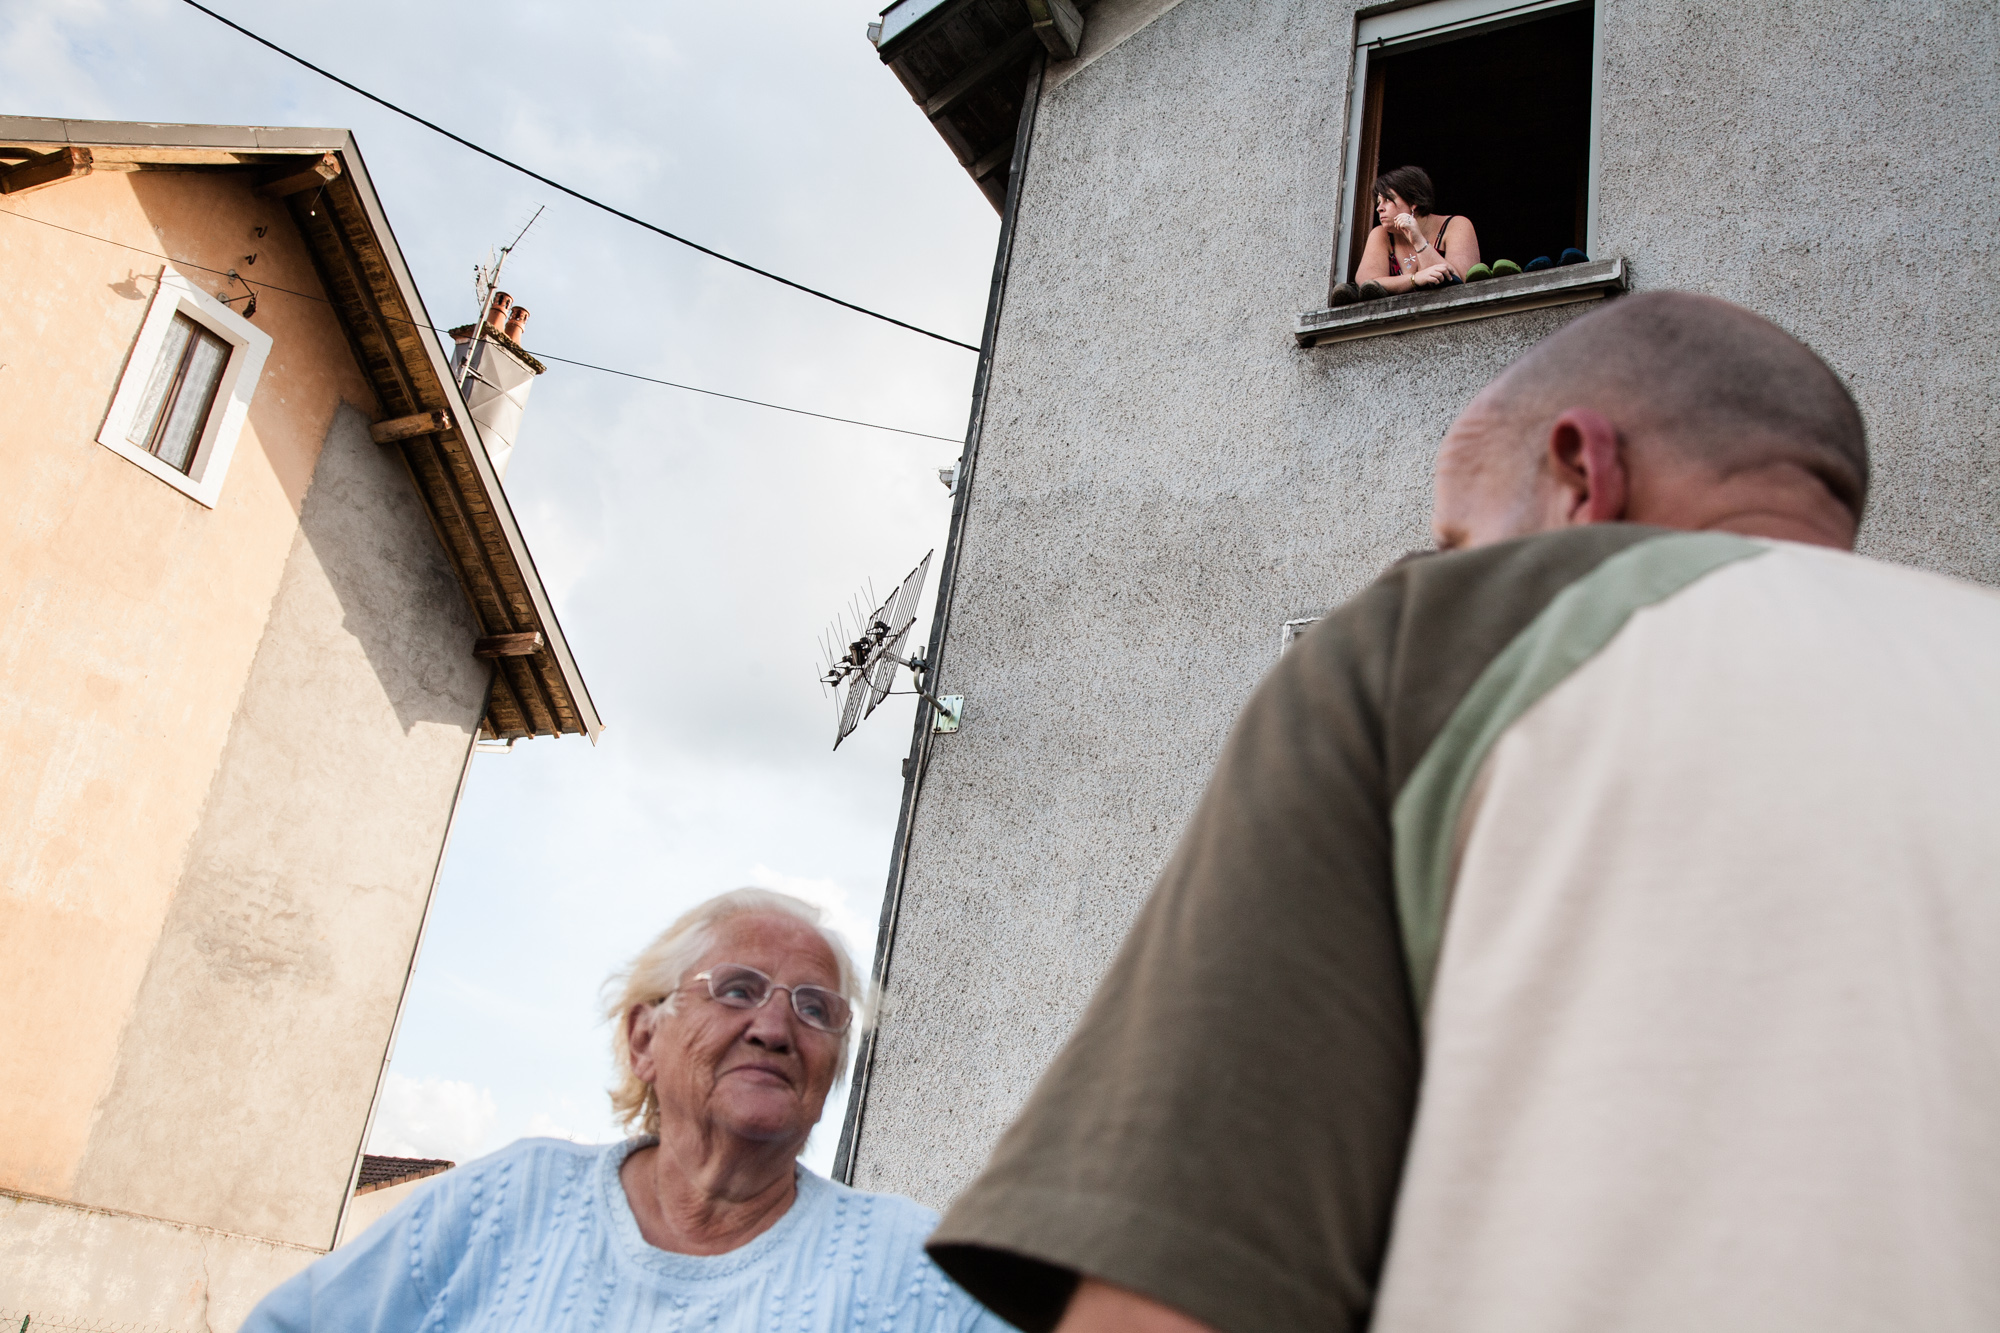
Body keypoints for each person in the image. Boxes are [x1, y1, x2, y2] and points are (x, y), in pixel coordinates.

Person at [924, 292, 2000, 1333]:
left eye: (1461, 534)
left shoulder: (1438, 646)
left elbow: (1167, 1311)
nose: (1449, 566)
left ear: (1582, 474)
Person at [243, 889, 1006, 1333]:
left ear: (833, 1066)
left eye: (815, 1008)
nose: (774, 1027)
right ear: (645, 1035)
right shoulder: (505, 1201)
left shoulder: (910, 1268)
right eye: (738, 989)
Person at [1332, 165, 1481, 304]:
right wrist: (1414, 279)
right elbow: (1367, 282)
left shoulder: (1456, 225)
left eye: (1388, 200)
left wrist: (1418, 240)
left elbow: (1460, 283)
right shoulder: (1382, 234)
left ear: (1413, 202)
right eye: (1379, 201)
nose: (1379, 208)